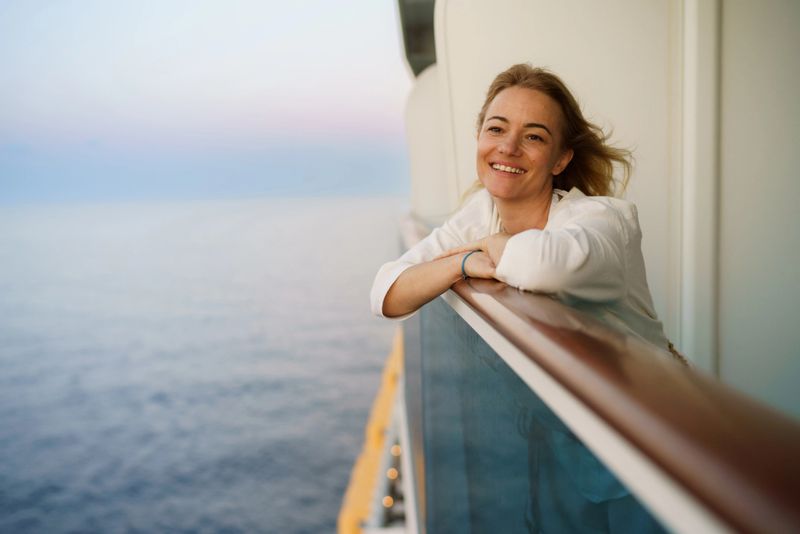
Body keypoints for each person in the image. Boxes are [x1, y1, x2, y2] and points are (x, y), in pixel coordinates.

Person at [370, 64, 669, 350]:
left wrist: (491, 245)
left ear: (561, 159)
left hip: (657, 398)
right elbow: (385, 292)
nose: (509, 147)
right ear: (479, 137)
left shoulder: (606, 220)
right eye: (497, 129)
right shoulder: (484, 212)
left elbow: (542, 267)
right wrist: (460, 263)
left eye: (533, 137)